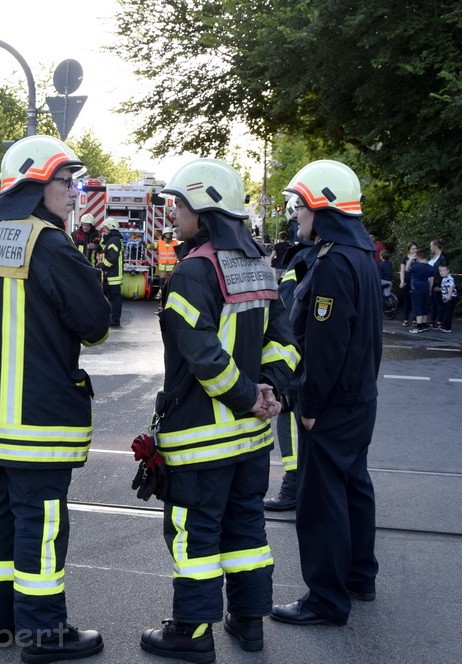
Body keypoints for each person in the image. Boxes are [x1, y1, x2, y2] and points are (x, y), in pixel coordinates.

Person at [139, 158, 298, 663]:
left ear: (204, 211)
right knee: (246, 528)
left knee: (195, 534)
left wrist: (249, 394)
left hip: (201, 438)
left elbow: (203, 355)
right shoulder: (260, 266)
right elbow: (283, 344)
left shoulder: (192, 271)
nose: (175, 214)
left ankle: (190, 634)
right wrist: (269, 389)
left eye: (180, 204)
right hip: (252, 439)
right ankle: (249, 623)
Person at [0, 135, 109, 663]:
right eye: (66, 182)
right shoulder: (48, 243)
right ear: (36, 184)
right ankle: (45, 635)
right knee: (40, 525)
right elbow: (94, 325)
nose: (73, 192)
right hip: (38, 420)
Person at [271, 159, 382, 628]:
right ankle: (359, 577)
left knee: (322, 501)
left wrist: (310, 405)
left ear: (324, 205)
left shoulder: (334, 261)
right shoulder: (360, 255)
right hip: (360, 399)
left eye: (301, 205)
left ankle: (325, 600)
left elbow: (327, 343)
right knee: (354, 486)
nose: (296, 214)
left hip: (332, 404)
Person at [264, 202, 317, 513]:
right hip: (306, 354)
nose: (295, 215)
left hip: (298, 356)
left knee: (288, 417)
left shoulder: (304, 259)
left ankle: (294, 485)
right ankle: (301, 483)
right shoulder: (322, 256)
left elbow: (289, 315)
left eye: (299, 208)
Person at [100, 218, 124, 327]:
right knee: (112, 299)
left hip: (113, 276)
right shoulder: (114, 239)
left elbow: (112, 258)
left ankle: (114, 320)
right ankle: (113, 319)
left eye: (105, 228)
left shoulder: (114, 240)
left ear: (110, 228)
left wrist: (103, 265)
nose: (103, 230)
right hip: (112, 275)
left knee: (114, 299)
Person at [408, 247, 435, 333]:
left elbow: (407, 269)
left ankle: (419, 326)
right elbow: (431, 279)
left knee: (418, 306)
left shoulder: (416, 266)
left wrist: (410, 260)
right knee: (424, 306)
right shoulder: (430, 267)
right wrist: (430, 289)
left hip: (417, 287)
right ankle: (424, 324)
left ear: (418, 257)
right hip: (426, 287)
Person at [428, 240, 448, 328]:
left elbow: (443, 272)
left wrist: (439, 285)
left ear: (435, 246)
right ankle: (433, 320)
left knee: (439, 303)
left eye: (431, 246)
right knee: (433, 302)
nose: (430, 248)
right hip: (431, 282)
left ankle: (440, 320)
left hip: (438, 283)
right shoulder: (433, 257)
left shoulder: (443, 257)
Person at [398, 242, 418, 326]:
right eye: (413, 249)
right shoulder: (405, 259)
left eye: (415, 248)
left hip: (416, 281)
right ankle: (405, 320)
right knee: (407, 301)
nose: (415, 250)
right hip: (407, 281)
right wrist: (402, 281)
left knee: (415, 301)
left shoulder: (418, 258)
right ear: (409, 250)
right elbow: (402, 271)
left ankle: (415, 320)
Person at [436, 264, 457, 332]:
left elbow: (450, 287)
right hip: (446, 298)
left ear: (448, 271)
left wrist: (448, 297)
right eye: (440, 271)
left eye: (444, 270)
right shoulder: (444, 279)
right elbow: (444, 287)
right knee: (445, 312)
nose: (442, 272)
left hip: (450, 298)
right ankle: (444, 325)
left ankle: (447, 328)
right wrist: (439, 289)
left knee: (448, 313)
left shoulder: (449, 278)